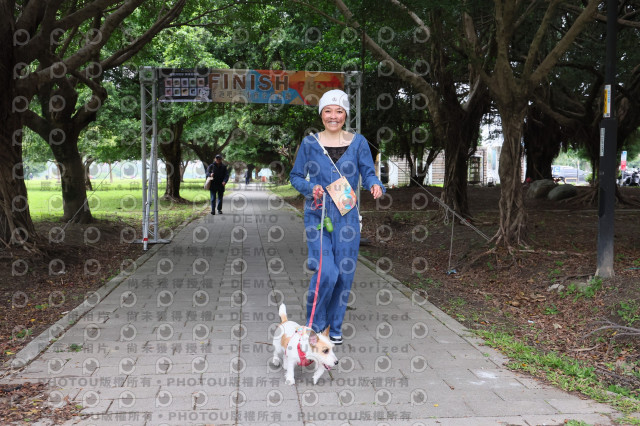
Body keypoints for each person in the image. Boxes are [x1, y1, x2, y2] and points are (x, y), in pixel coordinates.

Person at [289, 89, 384, 345]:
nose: (333, 116)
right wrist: (310, 188)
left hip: (347, 216)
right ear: (321, 114)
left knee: (344, 275)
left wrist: (375, 184)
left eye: (339, 111)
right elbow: (295, 176)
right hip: (317, 214)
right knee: (327, 272)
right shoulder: (310, 143)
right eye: (328, 111)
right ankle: (315, 325)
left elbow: (368, 172)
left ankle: (335, 326)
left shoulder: (359, 142)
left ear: (346, 114)